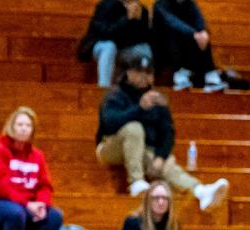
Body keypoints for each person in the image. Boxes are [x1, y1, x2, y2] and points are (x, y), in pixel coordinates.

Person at [95, 52, 229, 207]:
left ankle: (200, 191)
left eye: (149, 72)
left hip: (143, 151)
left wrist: (160, 157)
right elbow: (109, 123)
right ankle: (136, 182)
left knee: (162, 162)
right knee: (134, 128)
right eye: (140, 72)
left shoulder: (157, 99)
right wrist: (139, 109)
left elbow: (168, 133)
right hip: (109, 147)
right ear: (129, 73)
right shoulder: (115, 95)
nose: (144, 77)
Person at [153, 0, 226, 91]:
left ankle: (210, 75)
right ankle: (180, 74)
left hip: (186, 43)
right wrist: (194, 34)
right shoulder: (160, 4)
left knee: (202, 36)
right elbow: (171, 21)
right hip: (163, 49)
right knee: (174, 34)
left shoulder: (190, 3)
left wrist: (203, 31)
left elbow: (199, 19)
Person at [77, 0, 152, 87]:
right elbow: (104, 33)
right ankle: (103, 87)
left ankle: (140, 88)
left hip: (124, 49)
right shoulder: (105, 5)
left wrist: (141, 22)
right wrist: (127, 18)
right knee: (109, 47)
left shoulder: (141, 10)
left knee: (145, 50)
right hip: (101, 45)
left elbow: (143, 39)